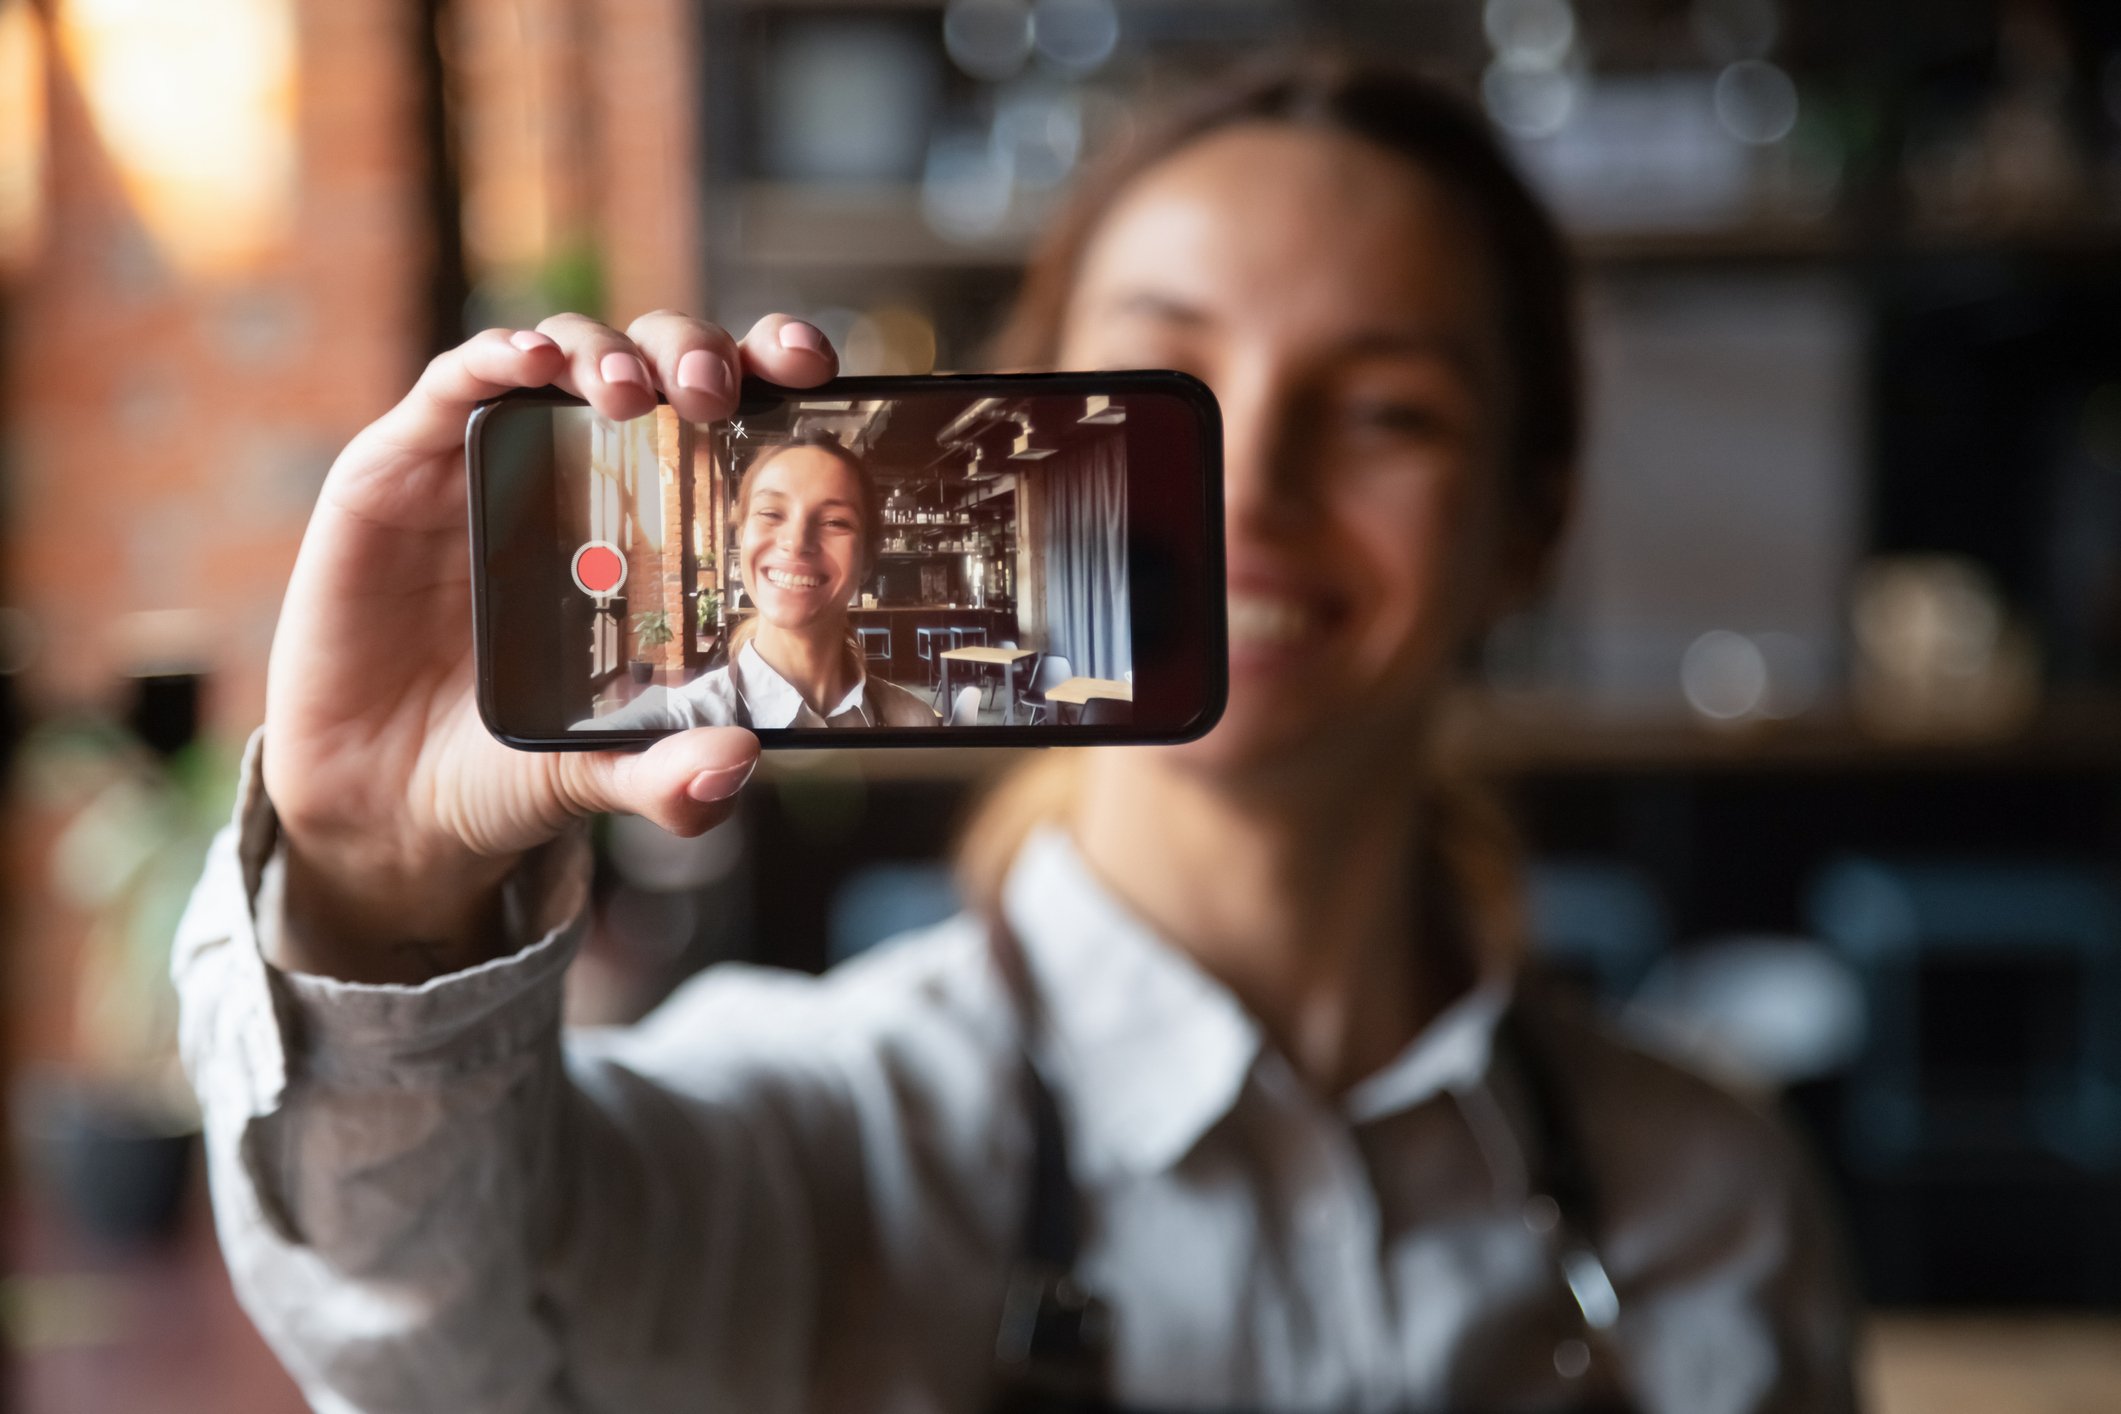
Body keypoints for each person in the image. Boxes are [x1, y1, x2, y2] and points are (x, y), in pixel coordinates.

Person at [175, 59, 1858, 1414]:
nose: (1248, 489)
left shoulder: (1717, 1195)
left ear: (1525, 524)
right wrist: (375, 878)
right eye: (1166, 382)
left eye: (1386, 412)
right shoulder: (830, 1126)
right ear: (1024, 425)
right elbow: (447, 1345)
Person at [586, 434, 937, 730]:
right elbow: (556, 767)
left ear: (867, 560)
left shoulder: (918, 722)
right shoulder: (684, 721)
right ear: (742, 536)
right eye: (771, 513)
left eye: (834, 522)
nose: (797, 541)